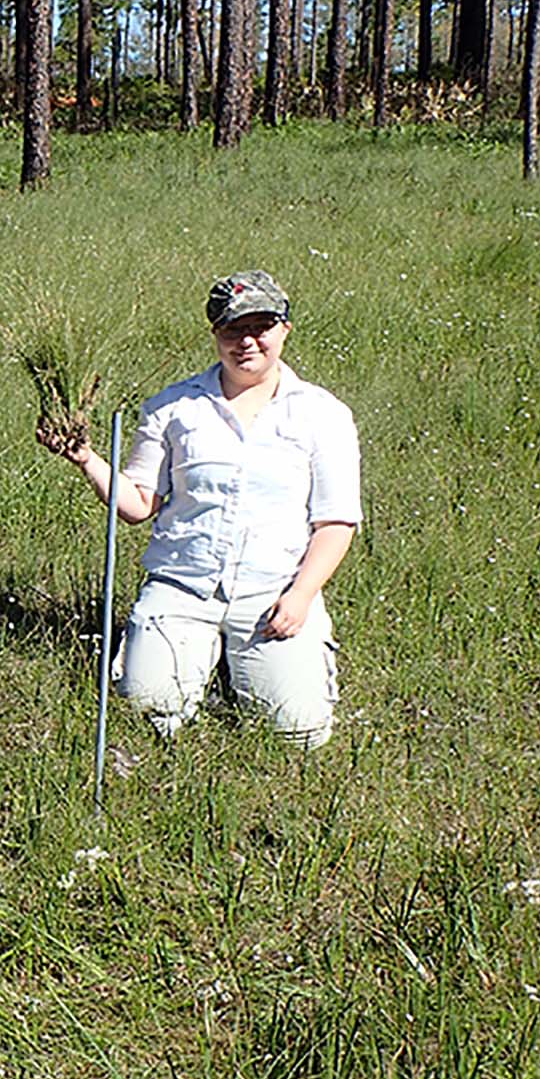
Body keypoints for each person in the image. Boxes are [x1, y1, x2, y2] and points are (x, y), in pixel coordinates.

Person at [40, 271, 362, 749]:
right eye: (233, 329)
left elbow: (335, 521)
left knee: (300, 735)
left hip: (275, 589)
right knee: (150, 716)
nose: (247, 341)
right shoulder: (172, 407)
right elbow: (137, 504)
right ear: (215, 333)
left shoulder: (323, 413)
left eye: (262, 326)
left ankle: (237, 668)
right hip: (183, 584)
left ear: (285, 330)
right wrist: (86, 459)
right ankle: (202, 660)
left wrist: (301, 596)